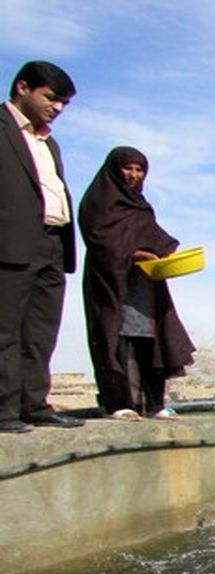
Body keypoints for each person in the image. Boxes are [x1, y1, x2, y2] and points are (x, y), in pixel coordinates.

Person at [79, 146, 195, 420]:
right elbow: (99, 240)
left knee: (150, 338)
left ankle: (153, 403)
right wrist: (132, 254)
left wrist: (167, 252)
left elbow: (153, 236)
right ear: (114, 169)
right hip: (112, 284)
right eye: (127, 168)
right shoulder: (99, 201)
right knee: (115, 339)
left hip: (144, 285)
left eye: (139, 169)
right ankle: (118, 403)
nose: (133, 175)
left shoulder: (140, 206)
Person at [0, 61, 82, 433]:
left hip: (52, 243)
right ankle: (4, 411)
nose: (58, 108)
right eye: (51, 98)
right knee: (5, 330)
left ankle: (34, 404)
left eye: (64, 103)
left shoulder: (49, 142)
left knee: (41, 330)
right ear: (22, 87)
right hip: (11, 242)